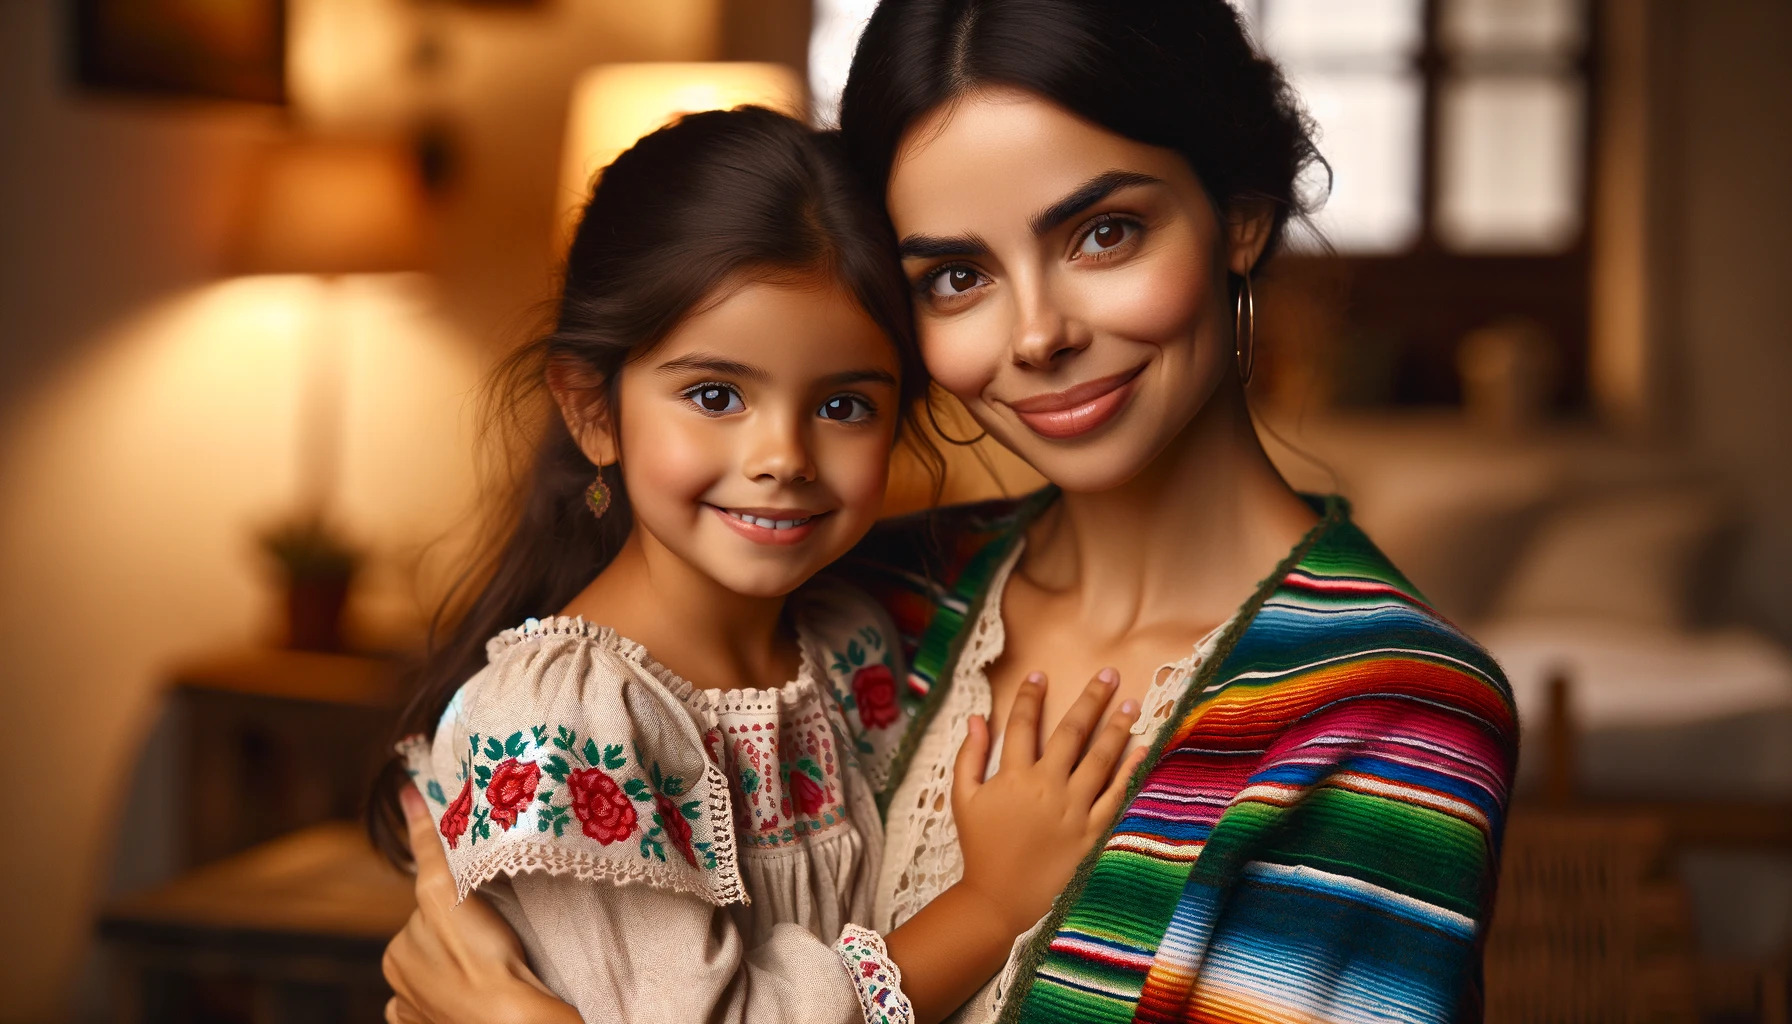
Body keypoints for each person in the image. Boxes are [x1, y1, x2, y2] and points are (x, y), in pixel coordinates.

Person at [380, 2, 1520, 1021]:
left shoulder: (1383, 713)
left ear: (1236, 216)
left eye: (1102, 232)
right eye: (954, 276)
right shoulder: (861, 600)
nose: (1037, 334)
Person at [372, 106, 1148, 1024]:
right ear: (592, 410)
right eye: (715, 394)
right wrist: (989, 906)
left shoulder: (851, 640)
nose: (783, 456)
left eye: (845, 406)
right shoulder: (564, 720)